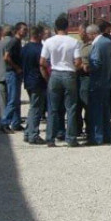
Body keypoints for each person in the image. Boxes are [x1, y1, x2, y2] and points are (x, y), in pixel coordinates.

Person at [40, 16, 82, 147]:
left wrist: (48, 77)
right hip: (69, 74)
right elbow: (78, 61)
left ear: (55, 28)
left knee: (52, 108)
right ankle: (71, 138)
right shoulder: (74, 42)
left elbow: (42, 62)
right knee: (71, 108)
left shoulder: (49, 42)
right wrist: (74, 69)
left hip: (55, 74)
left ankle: (50, 138)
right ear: (67, 27)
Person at [87, 23, 111, 145]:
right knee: (105, 110)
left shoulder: (97, 45)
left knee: (96, 111)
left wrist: (87, 67)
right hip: (107, 80)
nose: (88, 37)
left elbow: (96, 63)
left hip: (97, 81)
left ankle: (97, 137)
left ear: (93, 34)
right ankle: (108, 136)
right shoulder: (108, 42)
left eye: (89, 35)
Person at [22, 25, 47, 146]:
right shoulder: (40, 49)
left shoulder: (25, 48)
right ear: (39, 35)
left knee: (33, 107)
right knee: (37, 109)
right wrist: (47, 78)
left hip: (28, 80)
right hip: (38, 81)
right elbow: (42, 65)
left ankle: (28, 132)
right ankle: (33, 135)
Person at [0, 22, 27, 134]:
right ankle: (4, 123)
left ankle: (16, 123)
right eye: (24, 30)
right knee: (12, 99)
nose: (26, 32)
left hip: (16, 73)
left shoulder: (18, 42)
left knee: (16, 99)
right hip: (12, 73)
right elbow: (6, 57)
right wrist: (16, 68)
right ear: (18, 30)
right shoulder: (14, 42)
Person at [75, 23, 92, 138]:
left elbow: (89, 65)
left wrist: (81, 66)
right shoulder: (79, 45)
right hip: (77, 78)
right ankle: (78, 128)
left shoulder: (91, 46)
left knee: (87, 104)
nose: (78, 33)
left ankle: (89, 129)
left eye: (80, 31)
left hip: (86, 78)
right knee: (77, 105)